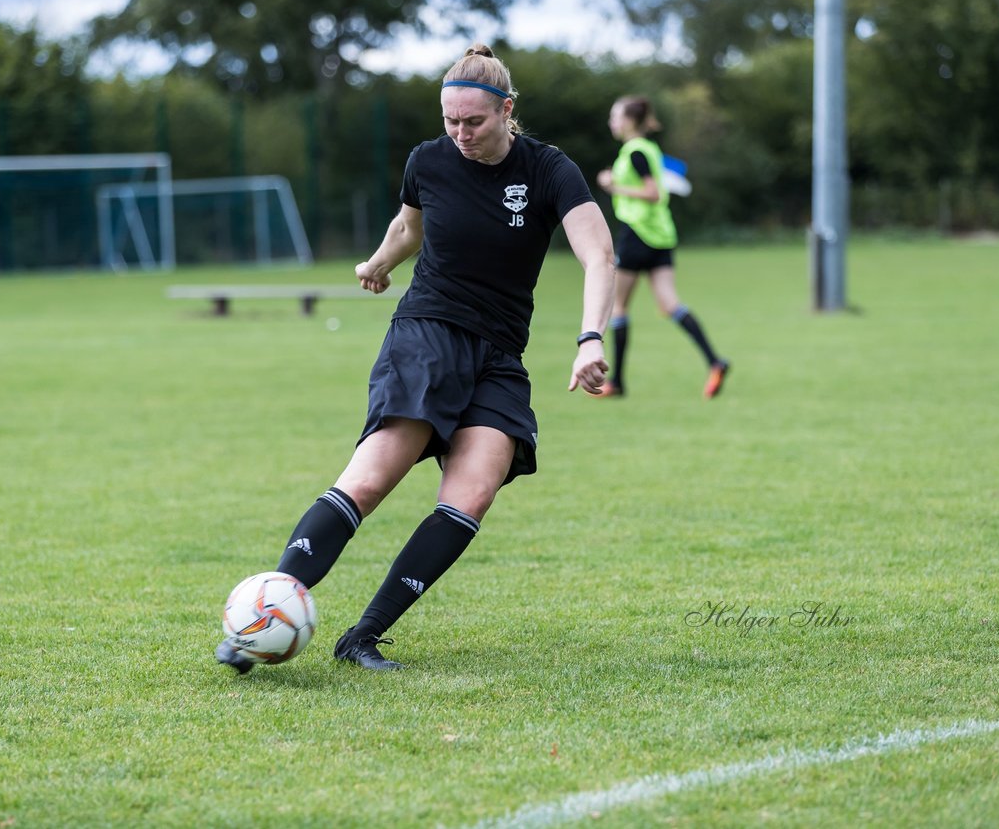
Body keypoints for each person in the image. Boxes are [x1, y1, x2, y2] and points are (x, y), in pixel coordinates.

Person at [216, 44, 616, 673]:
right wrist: (379, 263)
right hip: (428, 332)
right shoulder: (428, 160)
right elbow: (410, 226)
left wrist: (591, 337)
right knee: (371, 480)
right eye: (450, 122)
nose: (459, 135)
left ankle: (363, 636)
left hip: (499, 352)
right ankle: (256, 623)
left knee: (472, 495)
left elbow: (598, 254)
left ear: (507, 110)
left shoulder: (547, 170)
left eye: (474, 122)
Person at [595, 95, 730, 399]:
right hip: (661, 236)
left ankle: (616, 382)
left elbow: (652, 193)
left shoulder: (634, 151)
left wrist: (612, 186)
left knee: (619, 307)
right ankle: (714, 361)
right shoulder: (650, 149)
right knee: (669, 304)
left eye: (615, 116)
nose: (611, 122)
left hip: (638, 233)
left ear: (630, 120)